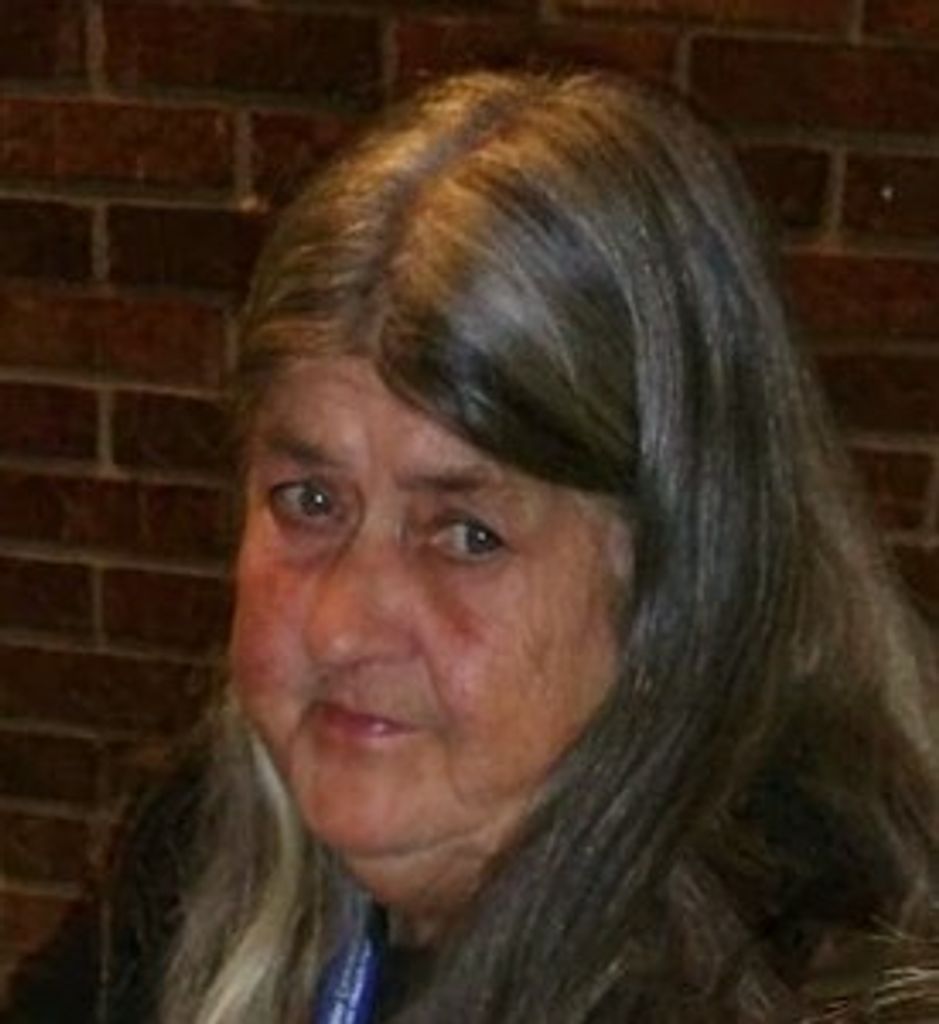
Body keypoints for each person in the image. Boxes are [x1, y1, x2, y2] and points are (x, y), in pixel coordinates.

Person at [7, 70, 938, 1023]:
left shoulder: (793, 983)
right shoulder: (203, 849)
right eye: (310, 501)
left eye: (465, 535)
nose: (339, 628)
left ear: (673, 575)